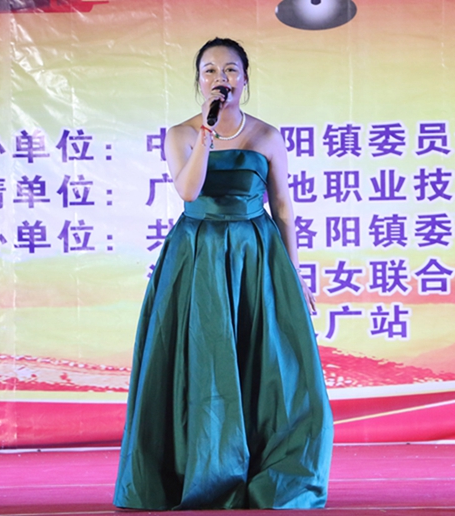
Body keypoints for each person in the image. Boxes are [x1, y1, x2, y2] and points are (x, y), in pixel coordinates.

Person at [113, 37, 333, 510]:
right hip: (197, 257)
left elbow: (283, 207)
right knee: (204, 363)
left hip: (256, 255)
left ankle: (270, 471)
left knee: (272, 365)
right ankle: (199, 470)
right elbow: (189, 191)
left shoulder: (267, 136)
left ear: (245, 79)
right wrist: (206, 136)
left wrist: (294, 273)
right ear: (199, 82)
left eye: (230, 70)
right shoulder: (181, 134)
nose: (221, 79)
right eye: (210, 71)